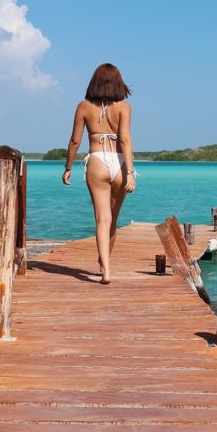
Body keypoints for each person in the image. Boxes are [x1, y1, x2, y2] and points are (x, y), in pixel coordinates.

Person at [62, 63, 135, 283]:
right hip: (120, 162)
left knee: (102, 219)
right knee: (112, 220)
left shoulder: (83, 106)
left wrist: (68, 167)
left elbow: (75, 140)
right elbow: (125, 140)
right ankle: (105, 262)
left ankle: (106, 270)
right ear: (117, 82)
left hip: (97, 161)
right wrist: (130, 172)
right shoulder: (124, 107)